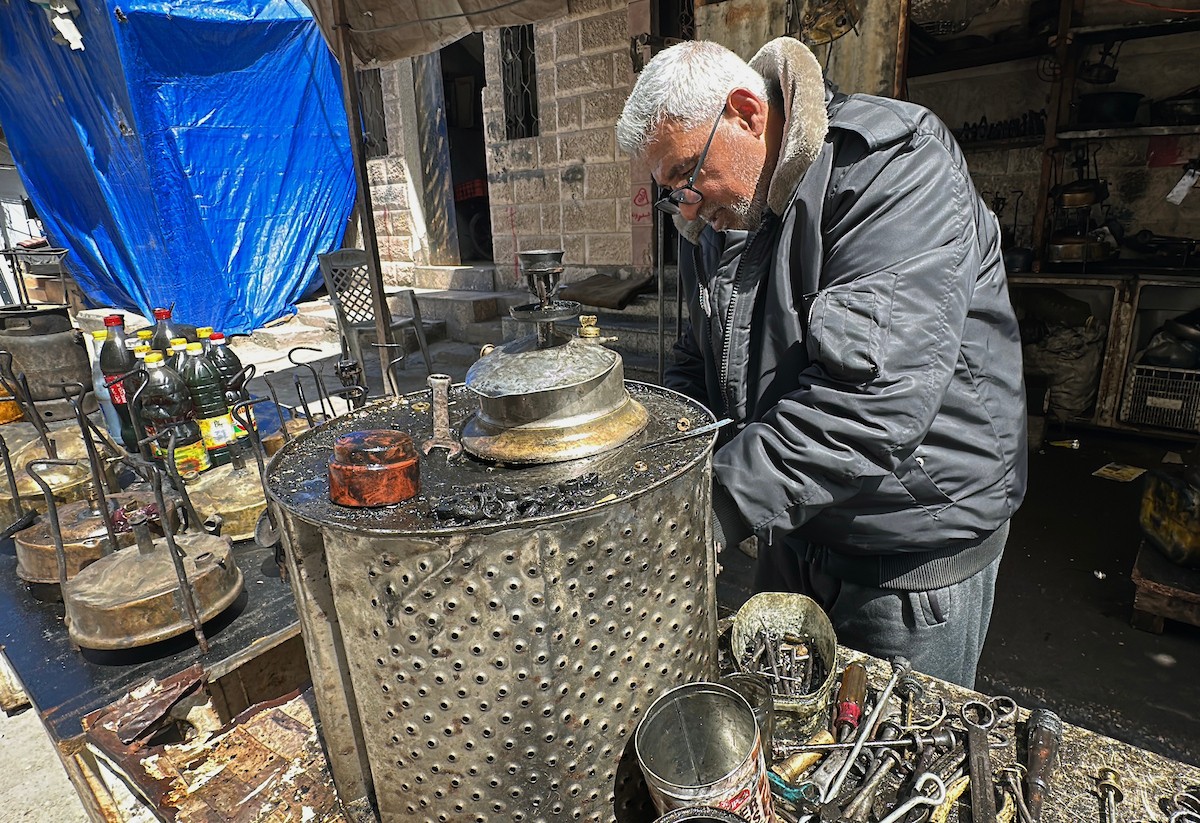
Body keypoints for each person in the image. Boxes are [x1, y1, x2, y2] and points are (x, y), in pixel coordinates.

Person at [615, 38, 1027, 689]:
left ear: (748, 113)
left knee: (895, 758)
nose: (687, 209)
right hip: (793, 523)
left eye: (689, 177)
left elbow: (871, 402)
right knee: (781, 723)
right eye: (671, 193)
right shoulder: (715, 216)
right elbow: (698, 358)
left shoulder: (892, 166)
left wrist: (712, 506)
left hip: (908, 545)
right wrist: (668, 467)